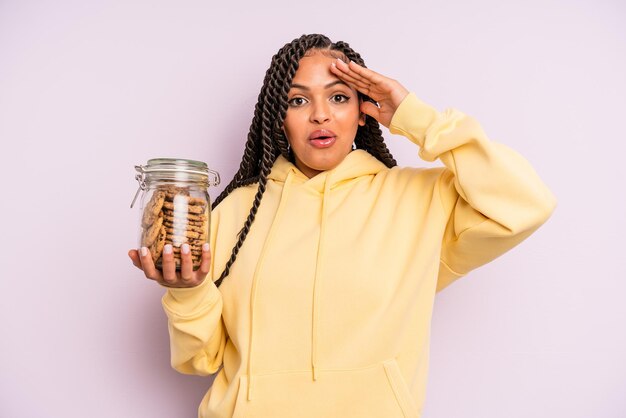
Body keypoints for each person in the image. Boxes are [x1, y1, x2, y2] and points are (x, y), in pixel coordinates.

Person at [128, 33, 556, 418]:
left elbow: (526, 203)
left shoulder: (421, 201)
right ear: (279, 117)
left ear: (364, 111)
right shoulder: (235, 211)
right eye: (298, 100)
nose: (319, 115)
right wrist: (187, 295)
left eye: (338, 97)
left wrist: (416, 117)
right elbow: (199, 361)